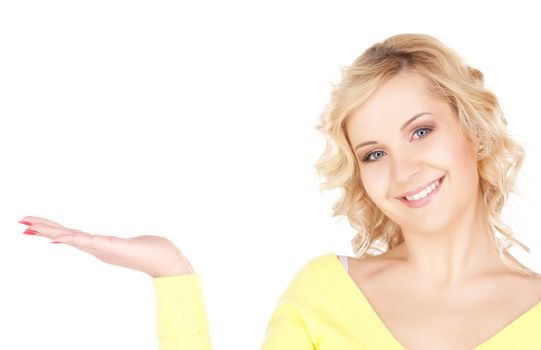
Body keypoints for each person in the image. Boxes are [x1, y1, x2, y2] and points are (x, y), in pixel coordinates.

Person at [19, 33, 541, 349]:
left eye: (421, 130)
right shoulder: (326, 292)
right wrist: (172, 275)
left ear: (473, 130)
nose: (403, 169)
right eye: (374, 153)